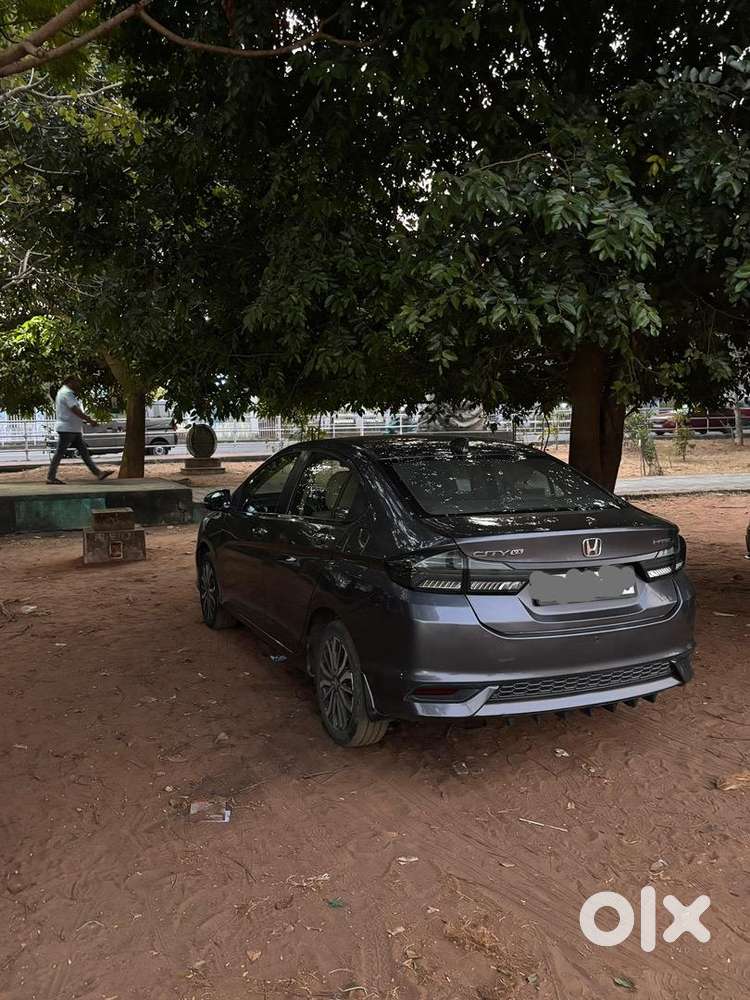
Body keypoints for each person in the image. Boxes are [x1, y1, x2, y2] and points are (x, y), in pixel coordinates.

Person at [46, 376, 113, 485]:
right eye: (76, 382)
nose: (78, 384)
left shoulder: (65, 392)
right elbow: (74, 409)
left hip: (73, 429)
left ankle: (98, 473)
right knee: (60, 453)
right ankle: (50, 477)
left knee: (84, 452)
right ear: (70, 382)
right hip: (67, 429)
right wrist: (89, 420)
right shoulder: (66, 393)